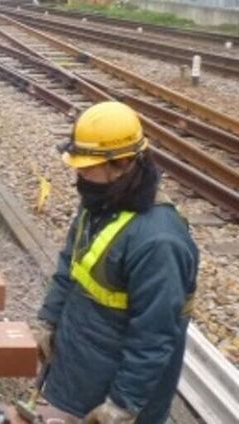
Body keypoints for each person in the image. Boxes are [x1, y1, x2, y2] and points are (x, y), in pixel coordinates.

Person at [36, 101, 199, 423]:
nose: (78, 174)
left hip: (113, 389)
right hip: (77, 367)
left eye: (86, 167)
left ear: (122, 163)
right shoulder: (100, 204)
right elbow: (70, 267)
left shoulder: (158, 242)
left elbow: (154, 335)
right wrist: (49, 320)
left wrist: (123, 404)